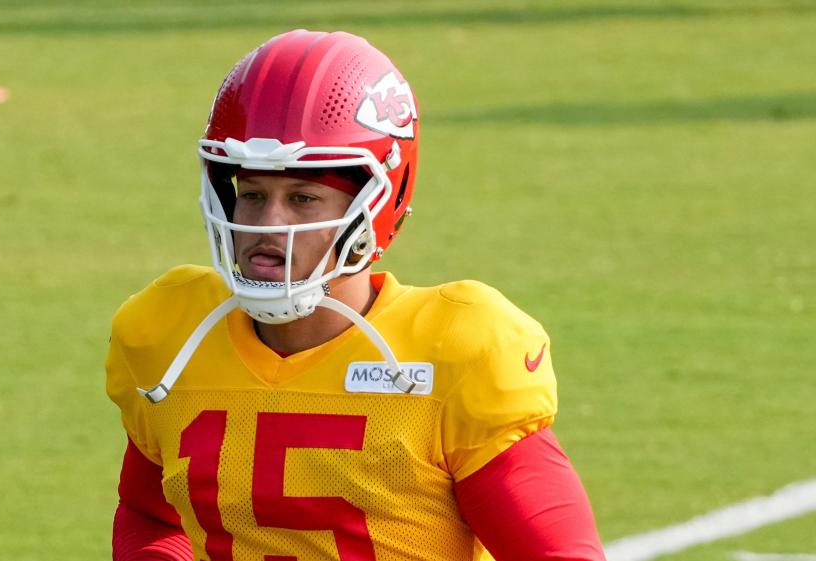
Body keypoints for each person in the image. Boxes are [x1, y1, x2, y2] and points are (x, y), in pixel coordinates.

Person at [106, 29, 606, 561]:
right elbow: (150, 514)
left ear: (376, 206)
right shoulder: (170, 332)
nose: (268, 224)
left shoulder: (456, 351)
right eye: (251, 195)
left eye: (303, 198)